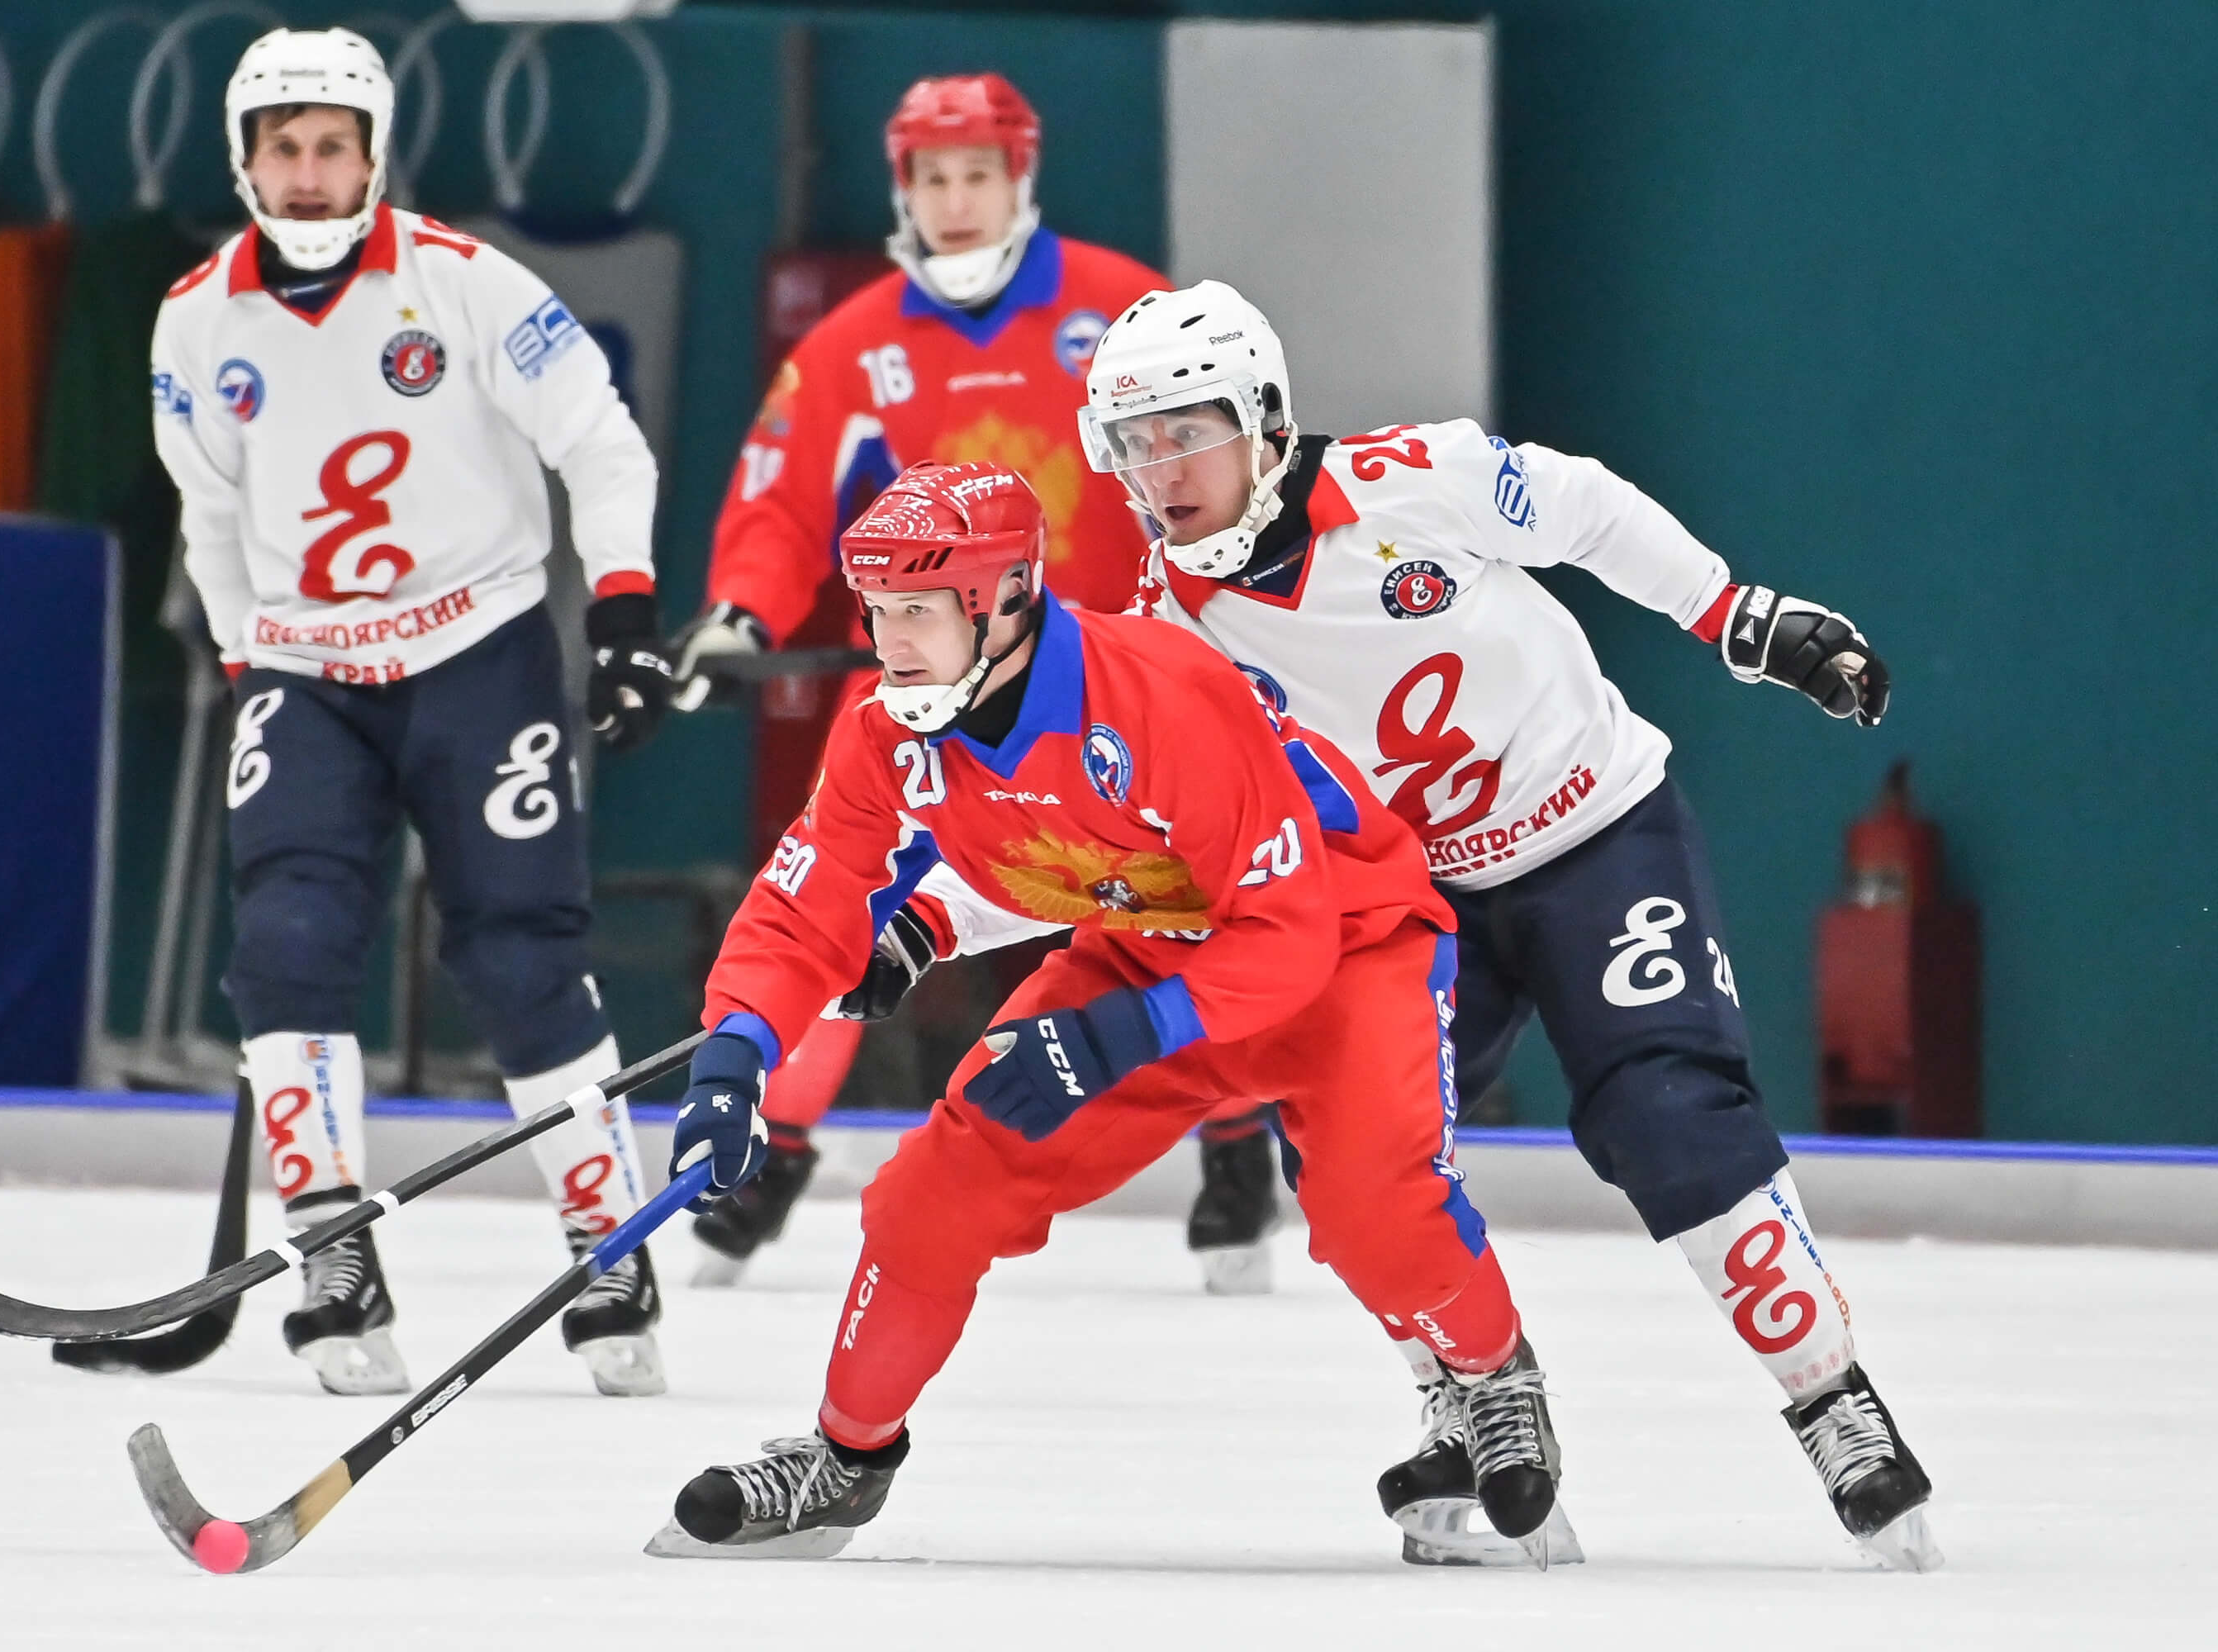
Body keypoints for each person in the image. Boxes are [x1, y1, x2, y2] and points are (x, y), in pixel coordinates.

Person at [1085, 280, 1939, 1571]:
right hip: (1410, 903)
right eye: (1133, 444)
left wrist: (1739, 618)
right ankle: (1470, 1395)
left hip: (1592, 831)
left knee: (1668, 1114)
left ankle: (1834, 1401)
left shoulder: (1408, 476)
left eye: (1186, 430)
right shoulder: (1161, 632)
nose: (1162, 472)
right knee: (1354, 1166)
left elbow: (1585, 508)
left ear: (1264, 419)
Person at [646, 461, 1575, 1568]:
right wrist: (733, 1058)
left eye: (919, 611)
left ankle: (1491, 1374)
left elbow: (1286, 935)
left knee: (1377, 1210)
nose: (890, 642)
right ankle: (844, 1460)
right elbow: (805, 906)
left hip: (1346, 945)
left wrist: (1111, 1040)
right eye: (878, 610)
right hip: (1145, 946)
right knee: (936, 1191)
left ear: (1001, 603)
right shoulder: (889, 729)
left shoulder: (1159, 695)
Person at [670, 74, 1285, 1293]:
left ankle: (1235, 1156)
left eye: (977, 175)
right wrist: (741, 609)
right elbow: (781, 487)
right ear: (904, 190)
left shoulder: (1121, 306)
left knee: (1197, 898)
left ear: (1021, 177)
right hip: (939, 685)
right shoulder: (857, 338)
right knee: (847, 899)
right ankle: (772, 1149)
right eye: (931, 178)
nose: (955, 202)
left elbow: (1212, 468)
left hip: (1124, 678)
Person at [148, 29, 677, 1399]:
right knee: (285, 944)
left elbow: (599, 440)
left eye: (333, 147)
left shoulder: (464, 283)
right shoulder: (196, 321)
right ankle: (332, 1252)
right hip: (310, 674)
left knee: (517, 957)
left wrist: (619, 610)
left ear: (374, 156)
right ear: (244, 159)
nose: (310, 174)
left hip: (478, 654)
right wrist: (247, 648)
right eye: (284, 148)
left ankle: (609, 1243)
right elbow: (209, 513)